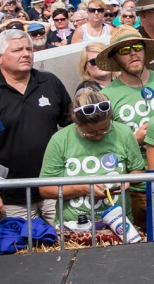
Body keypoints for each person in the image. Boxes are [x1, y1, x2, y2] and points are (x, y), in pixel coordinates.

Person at [0, 30, 72, 223]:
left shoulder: (50, 82)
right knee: (24, 251)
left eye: (29, 49)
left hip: (54, 187)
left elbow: (72, 126)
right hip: (12, 198)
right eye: (18, 50)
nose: (26, 54)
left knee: (66, 246)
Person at [95, 25, 154, 227]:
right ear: (115, 58)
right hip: (136, 191)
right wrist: (133, 140)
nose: (132, 53)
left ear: (145, 51)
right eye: (123, 50)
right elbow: (103, 144)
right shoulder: (107, 96)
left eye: (137, 47)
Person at [38, 88, 145, 224]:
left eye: (105, 129)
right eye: (90, 132)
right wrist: (82, 188)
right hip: (73, 226)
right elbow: (45, 189)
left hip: (119, 222)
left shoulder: (123, 132)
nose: (99, 135)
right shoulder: (60, 140)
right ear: (77, 123)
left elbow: (138, 171)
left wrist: (126, 181)